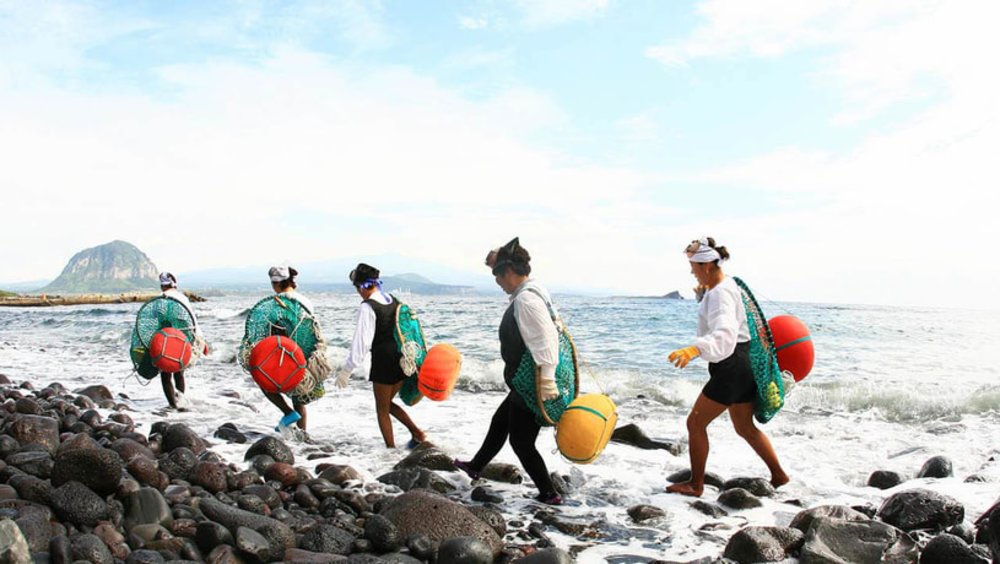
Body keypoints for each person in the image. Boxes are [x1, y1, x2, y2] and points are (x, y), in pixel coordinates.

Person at [665, 237, 789, 497]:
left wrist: (695, 349)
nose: (692, 271)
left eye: (694, 267)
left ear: (708, 266)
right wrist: (703, 296)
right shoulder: (724, 285)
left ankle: (696, 484)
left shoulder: (720, 293)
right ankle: (779, 475)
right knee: (744, 427)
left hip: (731, 367)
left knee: (695, 424)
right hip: (743, 365)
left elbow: (724, 333)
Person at [453, 238, 563, 505]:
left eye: (497, 275)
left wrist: (547, 381)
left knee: (521, 443)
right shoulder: (534, 289)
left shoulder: (526, 299)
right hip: (526, 379)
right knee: (500, 420)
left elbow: (546, 339)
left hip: (533, 380)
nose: (496, 282)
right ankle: (476, 465)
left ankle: (549, 493)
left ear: (509, 272)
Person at [334, 263, 426, 449]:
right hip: (402, 358)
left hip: (383, 360)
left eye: (357, 288)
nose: (358, 293)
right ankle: (417, 433)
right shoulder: (393, 300)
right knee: (387, 403)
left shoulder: (368, 307)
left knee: (382, 408)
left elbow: (362, 342)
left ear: (362, 286)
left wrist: (347, 369)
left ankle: (391, 450)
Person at [262, 265, 327, 432]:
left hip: (285, 354)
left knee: (264, 382)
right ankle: (302, 435)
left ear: (276, 284)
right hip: (305, 355)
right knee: (299, 395)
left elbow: (272, 330)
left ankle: (287, 412)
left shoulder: (276, 303)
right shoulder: (305, 301)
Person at [157, 272, 206, 411]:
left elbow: (160, 321)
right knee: (179, 371)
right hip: (186, 339)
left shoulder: (163, 299)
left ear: (162, 286)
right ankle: (181, 402)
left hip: (169, 340)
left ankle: (172, 405)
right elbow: (192, 320)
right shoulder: (182, 298)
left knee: (165, 374)